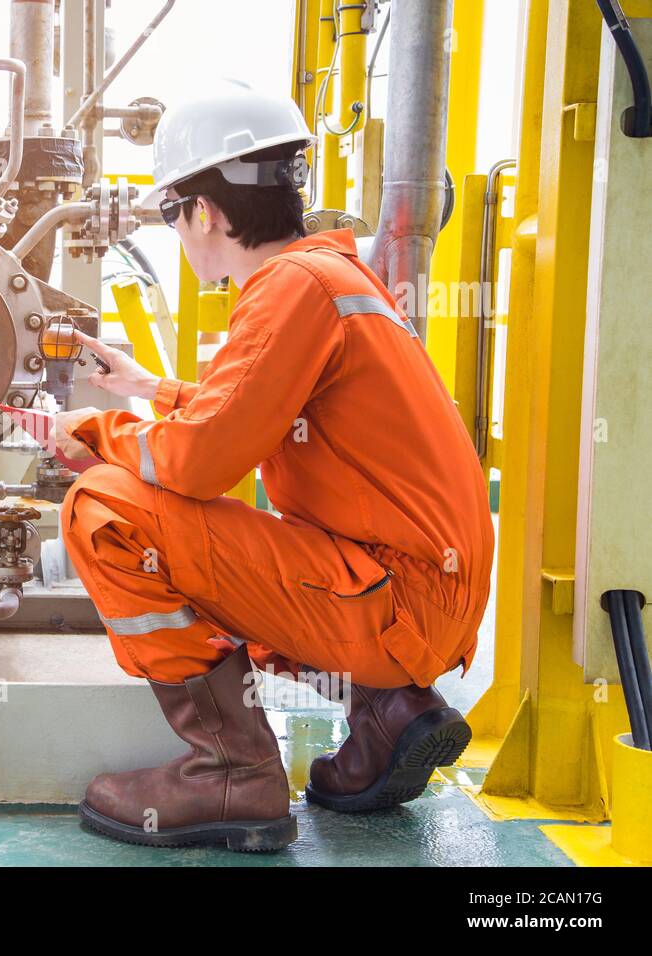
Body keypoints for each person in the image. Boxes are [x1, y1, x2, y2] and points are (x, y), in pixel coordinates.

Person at [51, 80, 494, 851]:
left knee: (107, 508)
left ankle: (232, 772)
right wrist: (148, 387)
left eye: (170, 212)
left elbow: (196, 465)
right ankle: (388, 713)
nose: (177, 231)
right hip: (421, 593)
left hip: (396, 600)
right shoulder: (325, 279)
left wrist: (96, 429)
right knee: (215, 545)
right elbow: (260, 412)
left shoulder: (288, 290)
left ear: (207, 212)